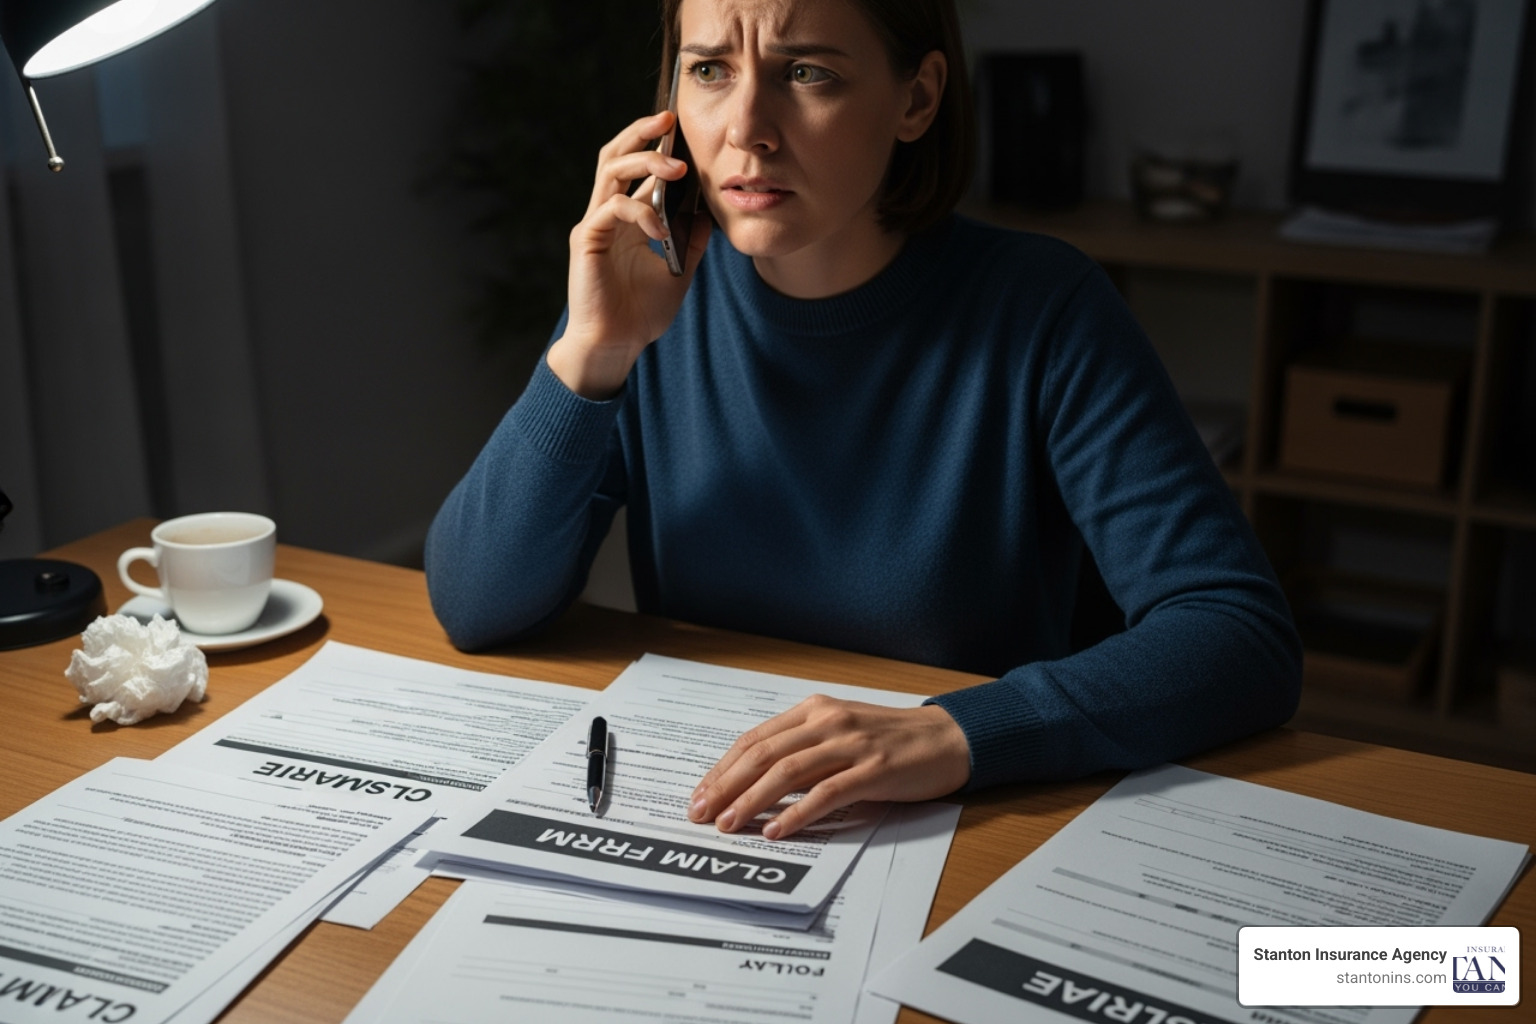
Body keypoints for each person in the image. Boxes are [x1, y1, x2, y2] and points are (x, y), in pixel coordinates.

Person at [425, 0, 1301, 842]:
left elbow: (1236, 632)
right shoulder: (646, 292)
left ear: (917, 98)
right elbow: (474, 605)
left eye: (806, 72)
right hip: (716, 808)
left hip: (969, 821)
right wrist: (592, 350)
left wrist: (958, 731)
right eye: (710, 70)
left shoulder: (1045, 309)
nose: (746, 129)